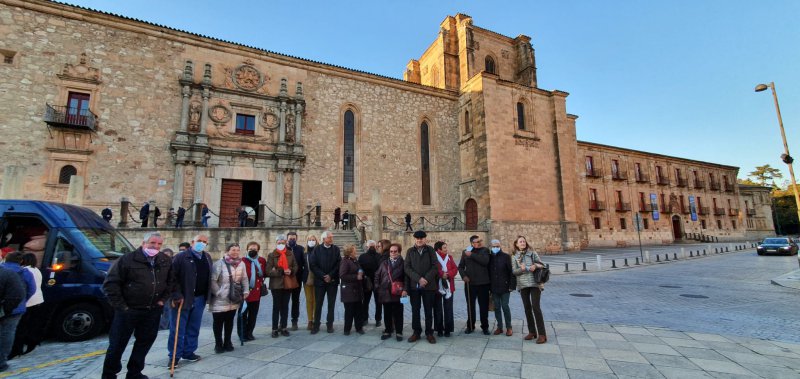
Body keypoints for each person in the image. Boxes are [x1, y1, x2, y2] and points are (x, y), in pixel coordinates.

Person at [101, 232, 172, 379]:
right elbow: (110, 285)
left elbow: (171, 282)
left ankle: (134, 372)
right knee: (117, 344)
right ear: (144, 243)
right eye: (153, 243)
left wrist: (162, 300)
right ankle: (109, 374)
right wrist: (122, 307)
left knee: (144, 342)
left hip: (152, 310)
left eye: (159, 244)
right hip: (128, 310)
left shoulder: (164, 260)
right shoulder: (127, 260)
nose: (156, 246)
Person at [168, 234, 213, 366]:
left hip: (199, 298)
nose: (202, 243)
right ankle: (174, 356)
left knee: (194, 327)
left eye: (204, 242)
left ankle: (189, 351)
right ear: (192, 242)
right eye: (199, 241)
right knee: (177, 328)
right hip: (183, 298)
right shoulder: (181, 257)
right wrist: (176, 295)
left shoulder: (207, 257)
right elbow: (171, 277)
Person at [209, 243, 248, 353]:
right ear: (227, 251)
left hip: (233, 297)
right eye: (233, 250)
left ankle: (228, 342)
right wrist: (219, 293)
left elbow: (244, 278)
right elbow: (213, 280)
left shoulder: (242, 264)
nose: (235, 252)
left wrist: (245, 291)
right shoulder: (219, 264)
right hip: (220, 298)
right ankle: (218, 343)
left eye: (237, 250)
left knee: (229, 321)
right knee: (218, 322)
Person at [511, 236, 547, 343]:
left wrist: (535, 266)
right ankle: (532, 332)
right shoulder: (514, 256)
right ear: (516, 244)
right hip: (522, 284)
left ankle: (542, 334)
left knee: (536, 307)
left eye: (524, 241)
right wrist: (521, 270)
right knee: (527, 308)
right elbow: (514, 271)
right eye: (520, 242)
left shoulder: (532, 253)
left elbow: (542, 265)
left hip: (535, 283)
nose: (522, 243)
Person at [404, 230, 438, 344]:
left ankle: (429, 333)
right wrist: (418, 279)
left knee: (428, 311)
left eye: (421, 238)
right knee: (415, 310)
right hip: (415, 286)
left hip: (429, 286)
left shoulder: (430, 250)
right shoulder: (410, 251)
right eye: (417, 239)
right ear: (415, 239)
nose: (419, 240)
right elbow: (407, 268)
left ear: (425, 239)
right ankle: (416, 332)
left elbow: (435, 266)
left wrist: (426, 279)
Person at [9, 253, 45, 358]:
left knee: (20, 327)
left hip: (29, 302)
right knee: (32, 325)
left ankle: (17, 349)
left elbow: (27, 288)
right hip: (38, 301)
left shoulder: (25, 271)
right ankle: (32, 343)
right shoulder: (37, 270)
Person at [308, 231, 341, 334]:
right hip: (320, 282)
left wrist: (330, 275)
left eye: (332, 237)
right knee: (318, 304)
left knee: (331, 304)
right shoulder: (317, 250)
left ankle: (329, 324)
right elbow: (313, 265)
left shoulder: (336, 249)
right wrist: (323, 276)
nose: (331, 239)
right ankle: (316, 325)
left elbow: (338, 264)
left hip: (332, 281)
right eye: (329, 237)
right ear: (323, 239)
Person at [266, 235, 297, 338]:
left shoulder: (290, 254)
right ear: (276, 243)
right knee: (276, 307)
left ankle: (283, 327)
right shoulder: (272, 255)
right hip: (276, 284)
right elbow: (268, 270)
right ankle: (274, 328)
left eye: (283, 243)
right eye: (279, 243)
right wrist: (282, 271)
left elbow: (295, 266)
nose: (281, 244)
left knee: (285, 306)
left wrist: (291, 270)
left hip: (287, 283)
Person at [458, 235, 491, 335]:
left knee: (484, 307)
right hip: (470, 284)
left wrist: (471, 255)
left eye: (480, 240)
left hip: (483, 283)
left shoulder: (485, 250)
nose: (480, 242)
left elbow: (485, 261)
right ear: (472, 243)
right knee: (470, 306)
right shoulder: (465, 252)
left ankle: (485, 327)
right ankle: (470, 326)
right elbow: (460, 267)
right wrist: (463, 276)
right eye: (477, 241)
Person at [374, 243, 405, 341]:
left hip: (399, 292)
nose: (393, 253)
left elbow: (407, 278)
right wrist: (378, 287)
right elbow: (377, 276)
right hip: (385, 292)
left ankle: (399, 332)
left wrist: (405, 290)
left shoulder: (403, 263)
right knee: (387, 312)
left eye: (395, 251)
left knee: (398, 313)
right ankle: (388, 330)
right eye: (391, 251)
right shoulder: (384, 263)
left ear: (399, 252)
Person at [0, 264, 25, 373]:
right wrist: (6, 310)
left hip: (8, 311)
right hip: (9, 312)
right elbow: (19, 294)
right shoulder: (9, 274)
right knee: (6, 335)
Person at [488, 239, 514, 336]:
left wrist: (511, 285)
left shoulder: (506, 257)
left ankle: (509, 327)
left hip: (505, 286)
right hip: (494, 287)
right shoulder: (489, 257)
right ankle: (499, 327)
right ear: (491, 247)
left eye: (497, 246)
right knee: (497, 307)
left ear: (500, 246)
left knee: (505, 306)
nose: (495, 248)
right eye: (493, 246)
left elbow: (511, 272)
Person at [242, 241, 267, 341]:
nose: (252, 250)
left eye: (255, 249)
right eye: (250, 249)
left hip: (256, 291)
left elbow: (264, 273)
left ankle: (250, 332)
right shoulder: (242, 261)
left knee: (253, 314)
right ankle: (242, 333)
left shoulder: (262, 260)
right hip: (244, 291)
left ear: (258, 250)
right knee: (243, 314)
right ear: (247, 249)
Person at [339, 245, 365, 335]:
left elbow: (359, 269)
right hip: (349, 291)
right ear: (350, 252)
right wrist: (356, 277)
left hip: (357, 289)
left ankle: (359, 328)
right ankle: (347, 329)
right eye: (354, 250)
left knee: (358, 310)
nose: (356, 252)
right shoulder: (345, 261)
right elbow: (342, 275)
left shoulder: (355, 260)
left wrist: (361, 272)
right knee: (349, 311)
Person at [433, 241, 457, 338]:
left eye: (446, 247)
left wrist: (448, 274)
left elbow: (455, 268)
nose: (446, 249)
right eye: (444, 248)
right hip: (437, 286)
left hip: (448, 285)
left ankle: (448, 329)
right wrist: (441, 274)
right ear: (438, 249)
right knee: (438, 309)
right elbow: (433, 268)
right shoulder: (434, 258)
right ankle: (439, 329)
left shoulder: (449, 257)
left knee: (448, 308)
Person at [358, 240, 381, 328]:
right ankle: (370, 319)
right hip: (369, 282)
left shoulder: (363, 256)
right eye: (371, 246)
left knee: (374, 302)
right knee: (368, 302)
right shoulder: (378, 256)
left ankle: (373, 319)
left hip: (372, 282)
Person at [286, 232, 305, 331]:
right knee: (284, 301)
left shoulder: (300, 249)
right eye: (290, 238)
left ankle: (294, 321)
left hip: (297, 279)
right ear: (287, 239)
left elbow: (303, 263)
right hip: (285, 279)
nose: (292, 240)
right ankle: (283, 322)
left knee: (295, 300)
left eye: (294, 238)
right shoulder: (283, 249)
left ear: (296, 239)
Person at [303, 235, 318, 330]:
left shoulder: (319, 251)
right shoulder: (304, 253)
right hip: (307, 278)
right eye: (309, 240)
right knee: (309, 300)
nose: (311, 241)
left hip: (317, 278)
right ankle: (310, 320)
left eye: (313, 240)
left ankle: (316, 319)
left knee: (316, 300)